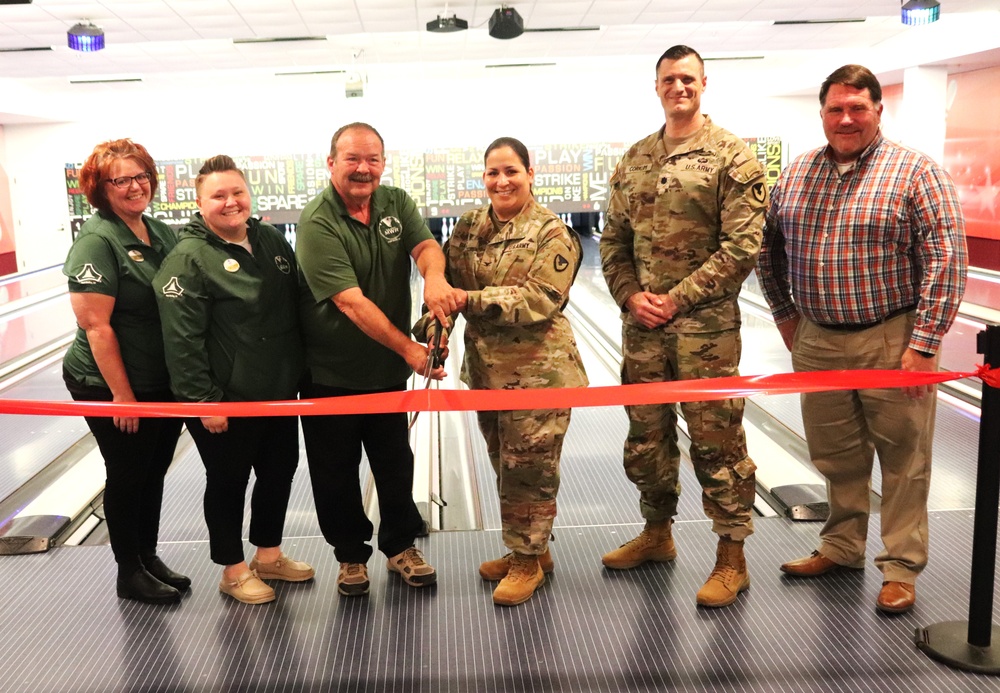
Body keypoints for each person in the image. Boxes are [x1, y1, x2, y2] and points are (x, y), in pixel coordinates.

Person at [757, 65, 968, 614]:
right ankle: (842, 546)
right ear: (822, 112)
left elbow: (947, 258)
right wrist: (785, 316)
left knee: (905, 458)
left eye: (857, 108)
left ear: (878, 110)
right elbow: (767, 251)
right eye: (835, 109)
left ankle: (900, 567)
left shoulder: (916, 172)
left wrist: (923, 344)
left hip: (892, 337)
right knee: (836, 455)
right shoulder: (798, 174)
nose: (845, 118)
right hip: (819, 338)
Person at [599, 45, 768, 608]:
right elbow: (613, 242)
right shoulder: (635, 159)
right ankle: (657, 533)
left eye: (688, 78)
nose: (679, 87)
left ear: (703, 83)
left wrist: (674, 299)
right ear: (657, 87)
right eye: (669, 79)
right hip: (642, 328)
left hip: (706, 331)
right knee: (646, 438)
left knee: (717, 440)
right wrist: (629, 296)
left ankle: (731, 557)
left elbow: (742, 246)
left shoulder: (731, 157)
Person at [414, 137, 589, 606]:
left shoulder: (552, 232)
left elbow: (539, 299)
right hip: (488, 374)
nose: (502, 180)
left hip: (540, 374)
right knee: (504, 464)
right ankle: (530, 551)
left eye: (511, 170)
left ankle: (527, 561)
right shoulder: (469, 226)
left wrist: (466, 301)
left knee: (529, 470)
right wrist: (436, 323)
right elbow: (445, 286)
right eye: (493, 172)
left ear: (531, 173)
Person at [295, 122, 461, 597]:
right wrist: (411, 350)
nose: (362, 169)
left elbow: (426, 246)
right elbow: (350, 302)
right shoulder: (316, 222)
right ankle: (350, 557)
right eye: (352, 159)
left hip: (384, 374)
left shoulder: (395, 202)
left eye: (372, 159)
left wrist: (433, 279)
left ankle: (400, 547)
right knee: (336, 472)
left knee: (394, 463)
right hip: (330, 373)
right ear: (331, 164)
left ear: (383, 164)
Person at [154, 155, 313, 605]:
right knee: (227, 481)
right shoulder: (187, 259)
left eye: (237, 192)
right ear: (200, 203)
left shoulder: (269, 238)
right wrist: (205, 400)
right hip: (226, 398)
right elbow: (181, 339)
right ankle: (232, 569)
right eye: (218, 196)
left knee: (278, 472)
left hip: (279, 392)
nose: (231, 202)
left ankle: (268, 555)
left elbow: (296, 303)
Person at [62, 138, 188, 605]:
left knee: (153, 469)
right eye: (121, 180)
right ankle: (127, 570)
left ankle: (148, 556)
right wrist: (123, 396)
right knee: (128, 471)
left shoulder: (160, 231)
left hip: (159, 382)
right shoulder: (97, 241)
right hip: (108, 383)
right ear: (101, 188)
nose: (135, 187)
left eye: (141, 176)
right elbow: (96, 327)